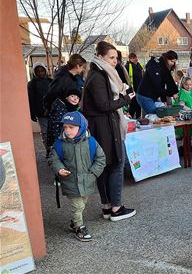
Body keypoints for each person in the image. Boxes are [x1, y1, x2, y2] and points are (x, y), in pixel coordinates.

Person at [82, 41, 137, 221]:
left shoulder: (100, 73)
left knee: (105, 166)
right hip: (104, 127)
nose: (115, 61)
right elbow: (104, 105)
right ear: (100, 56)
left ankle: (107, 207)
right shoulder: (98, 75)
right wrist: (125, 99)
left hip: (103, 125)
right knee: (115, 165)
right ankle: (115, 208)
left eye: (116, 58)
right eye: (111, 57)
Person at [48, 111, 106, 242]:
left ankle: (74, 222)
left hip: (87, 180)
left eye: (71, 127)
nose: (67, 130)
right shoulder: (60, 143)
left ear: (82, 127)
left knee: (83, 203)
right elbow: (53, 159)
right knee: (78, 206)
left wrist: (93, 173)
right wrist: (59, 169)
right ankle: (79, 227)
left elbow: (101, 158)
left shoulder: (91, 142)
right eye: (65, 127)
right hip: (70, 181)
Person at [27, 62, 52, 152]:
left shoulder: (50, 81)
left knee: (54, 131)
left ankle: (56, 152)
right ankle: (48, 151)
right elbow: (31, 99)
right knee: (45, 132)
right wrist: (32, 113)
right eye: (37, 71)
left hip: (52, 111)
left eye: (42, 70)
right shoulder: (32, 84)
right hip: (41, 112)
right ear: (34, 72)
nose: (40, 73)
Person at [124, 53, 144, 119]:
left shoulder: (139, 65)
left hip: (139, 89)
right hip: (132, 89)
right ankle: (131, 118)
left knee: (139, 105)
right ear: (130, 59)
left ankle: (138, 118)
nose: (136, 59)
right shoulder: (127, 66)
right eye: (134, 58)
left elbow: (142, 74)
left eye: (136, 57)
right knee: (133, 105)